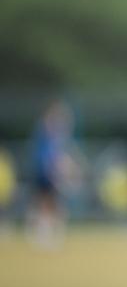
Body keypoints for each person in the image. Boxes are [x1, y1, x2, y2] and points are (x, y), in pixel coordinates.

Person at [28, 99, 80, 248]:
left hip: (48, 172)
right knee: (48, 205)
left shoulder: (51, 135)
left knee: (49, 205)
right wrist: (59, 171)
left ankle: (45, 235)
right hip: (46, 173)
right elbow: (52, 158)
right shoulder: (48, 135)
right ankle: (43, 235)